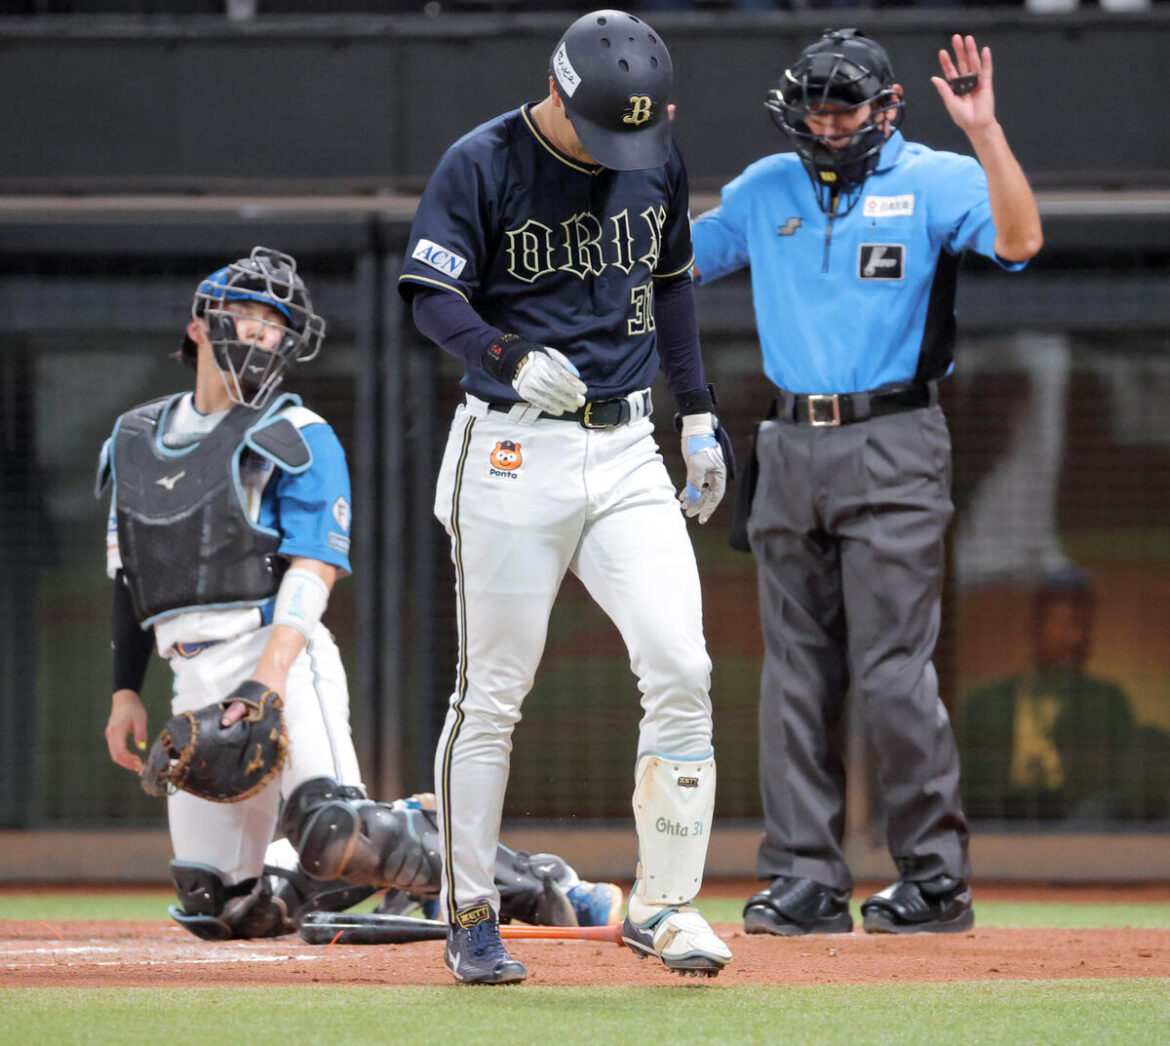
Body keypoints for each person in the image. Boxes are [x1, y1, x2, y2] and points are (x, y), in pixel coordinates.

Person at [99, 247, 618, 940]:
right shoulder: (132, 440)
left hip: (272, 651)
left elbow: (313, 568)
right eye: (244, 314)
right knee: (218, 906)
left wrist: (268, 680)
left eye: (274, 323)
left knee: (335, 829)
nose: (258, 332)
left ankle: (539, 885)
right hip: (189, 675)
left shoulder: (296, 433)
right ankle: (401, 849)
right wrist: (123, 692)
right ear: (199, 326)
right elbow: (129, 578)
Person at [399, 9, 733, 984]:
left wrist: (700, 411)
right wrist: (502, 354)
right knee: (493, 691)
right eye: (604, 128)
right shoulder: (482, 161)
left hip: (628, 442)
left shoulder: (652, 153)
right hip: (510, 447)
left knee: (681, 661)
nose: (618, 150)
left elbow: (672, 280)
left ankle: (664, 905)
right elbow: (429, 291)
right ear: (556, 91)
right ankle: (467, 911)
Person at [691, 30, 1043, 935]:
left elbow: (1020, 238)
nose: (825, 121)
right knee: (793, 676)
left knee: (891, 674)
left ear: (888, 108)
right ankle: (805, 878)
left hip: (895, 435)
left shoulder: (935, 178)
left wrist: (986, 130)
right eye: (811, 105)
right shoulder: (767, 186)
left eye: (843, 106)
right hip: (788, 439)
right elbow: (673, 264)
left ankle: (934, 878)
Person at [958, 569, 1138, 821]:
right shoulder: (986, 704)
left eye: (1083, 626)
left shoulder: (1108, 702)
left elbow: (1122, 785)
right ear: (1036, 627)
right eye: (1064, 624)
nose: (1074, 638)